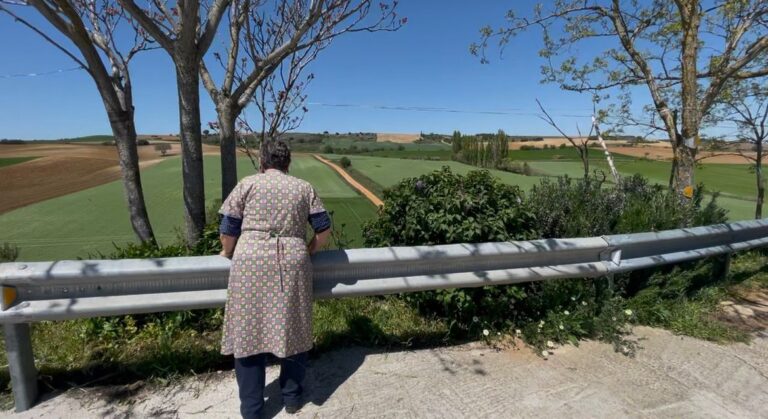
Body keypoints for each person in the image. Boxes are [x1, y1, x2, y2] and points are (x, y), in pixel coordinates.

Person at [218, 140, 332, 419]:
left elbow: (229, 229)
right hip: (293, 262)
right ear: (288, 164)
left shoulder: (247, 184)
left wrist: (227, 251)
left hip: (250, 263)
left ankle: (252, 410)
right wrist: (307, 250)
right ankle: (292, 398)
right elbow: (323, 230)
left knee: (248, 332)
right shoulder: (303, 187)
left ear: (262, 162)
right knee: (294, 328)